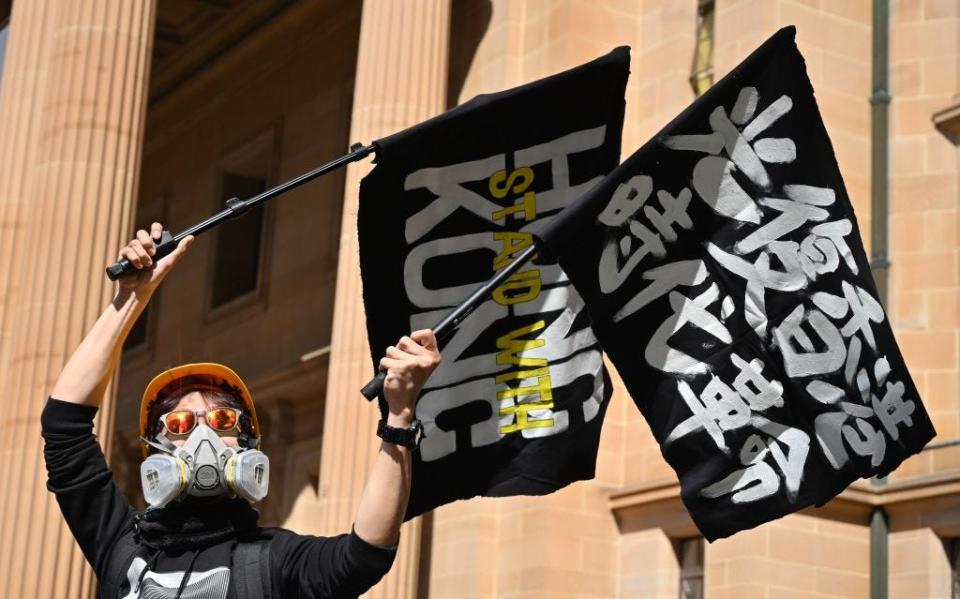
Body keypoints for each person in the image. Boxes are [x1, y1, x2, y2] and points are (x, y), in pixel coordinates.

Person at [41, 223, 440, 598]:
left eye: (222, 420)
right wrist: (132, 297)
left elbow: (364, 556)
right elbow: (64, 424)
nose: (203, 436)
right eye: (179, 423)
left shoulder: (272, 561)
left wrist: (400, 416)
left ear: (247, 442)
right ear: (154, 452)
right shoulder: (124, 548)